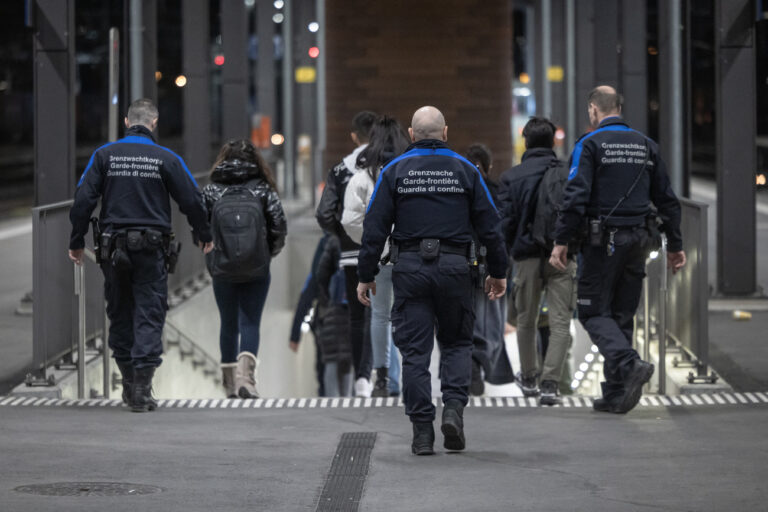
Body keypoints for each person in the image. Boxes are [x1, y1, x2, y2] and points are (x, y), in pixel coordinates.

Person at [357, 106, 508, 455]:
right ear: (445, 132)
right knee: (456, 343)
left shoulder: (394, 171)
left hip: (409, 271)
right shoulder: (467, 170)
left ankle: (422, 432)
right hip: (457, 269)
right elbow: (491, 226)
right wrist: (498, 272)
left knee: (414, 353)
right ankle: (453, 410)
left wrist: (366, 275)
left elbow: (374, 228)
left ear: (412, 134)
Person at [68, 98, 213, 412]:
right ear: (154, 122)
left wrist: (77, 240)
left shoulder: (104, 155)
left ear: (126, 122)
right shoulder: (166, 158)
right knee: (149, 312)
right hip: (151, 249)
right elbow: (192, 200)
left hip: (112, 249)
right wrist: (204, 234)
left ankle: (129, 382)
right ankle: (142, 392)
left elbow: (82, 200)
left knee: (120, 313)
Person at [549, 85, 686, 414]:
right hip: (639, 240)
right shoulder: (646, 146)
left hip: (602, 244)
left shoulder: (589, 144)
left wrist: (562, 241)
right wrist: (676, 246)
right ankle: (614, 394)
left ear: (594, 109)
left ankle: (628, 363)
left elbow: (575, 197)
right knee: (622, 316)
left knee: (593, 312)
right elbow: (667, 199)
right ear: (619, 108)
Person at [497, 117, 576, 406]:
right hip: (562, 255)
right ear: (554, 141)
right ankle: (551, 384)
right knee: (559, 321)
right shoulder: (568, 173)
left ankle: (529, 377)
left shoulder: (511, 177)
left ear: (526, 143)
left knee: (526, 319)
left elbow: (504, 224)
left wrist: (502, 261)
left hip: (526, 256)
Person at [202, 139, 287, 399]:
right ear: (255, 160)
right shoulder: (263, 189)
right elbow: (279, 228)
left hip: (222, 267)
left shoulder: (212, 190)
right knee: (250, 321)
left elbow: (201, 228)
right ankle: (246, 381)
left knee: (228, 323)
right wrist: (266, 255)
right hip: (257, 267)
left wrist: (213, 255)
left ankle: (228, 386)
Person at [341, 115, 410, 397]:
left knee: (380, 316)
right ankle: (404, 377)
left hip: (379, 257)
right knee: (407, 315)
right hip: (412, 255)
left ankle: (382, 378)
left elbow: (349, 220)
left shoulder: (363, 176)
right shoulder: (412, 169)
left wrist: (371, 241)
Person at [316, 111, 378, 397]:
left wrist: (340, 234)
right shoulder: (389, 163)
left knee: (357, 315)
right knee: (381, 312)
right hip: (384, 249)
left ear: (354, 136)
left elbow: (324, 212)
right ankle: (377, 373)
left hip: (351, 251)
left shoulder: (341, 169)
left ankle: (360, 377)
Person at [464, 143, 515, 396]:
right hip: (491, 264)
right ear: (489, 165)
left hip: (462, 263)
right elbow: (500, 231)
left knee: (466, 316)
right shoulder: (496, 191)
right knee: (492, 320)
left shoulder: (459, 191)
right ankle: (480, 364)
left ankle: (471, 366)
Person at [315, 235, 354, 396]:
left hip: (335, 307)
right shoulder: (362, 236)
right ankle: (348, 400)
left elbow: (321, 273)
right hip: (355, 308)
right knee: (349, 358)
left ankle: (333, 400)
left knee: (331, 359)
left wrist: (326, 299)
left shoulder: (334, 240)